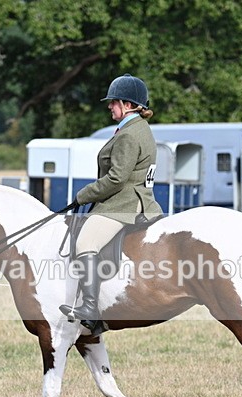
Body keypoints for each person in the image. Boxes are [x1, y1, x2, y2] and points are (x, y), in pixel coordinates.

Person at [59, 74, 163, 335]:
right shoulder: (138, 128)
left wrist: (84, 195)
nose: (109, 106)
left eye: (114, 102)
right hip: (136, 199)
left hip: (123, 203)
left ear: (128, 105)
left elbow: (116, 178)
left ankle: (89, 309)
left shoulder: (129, 135)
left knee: (86, 243)